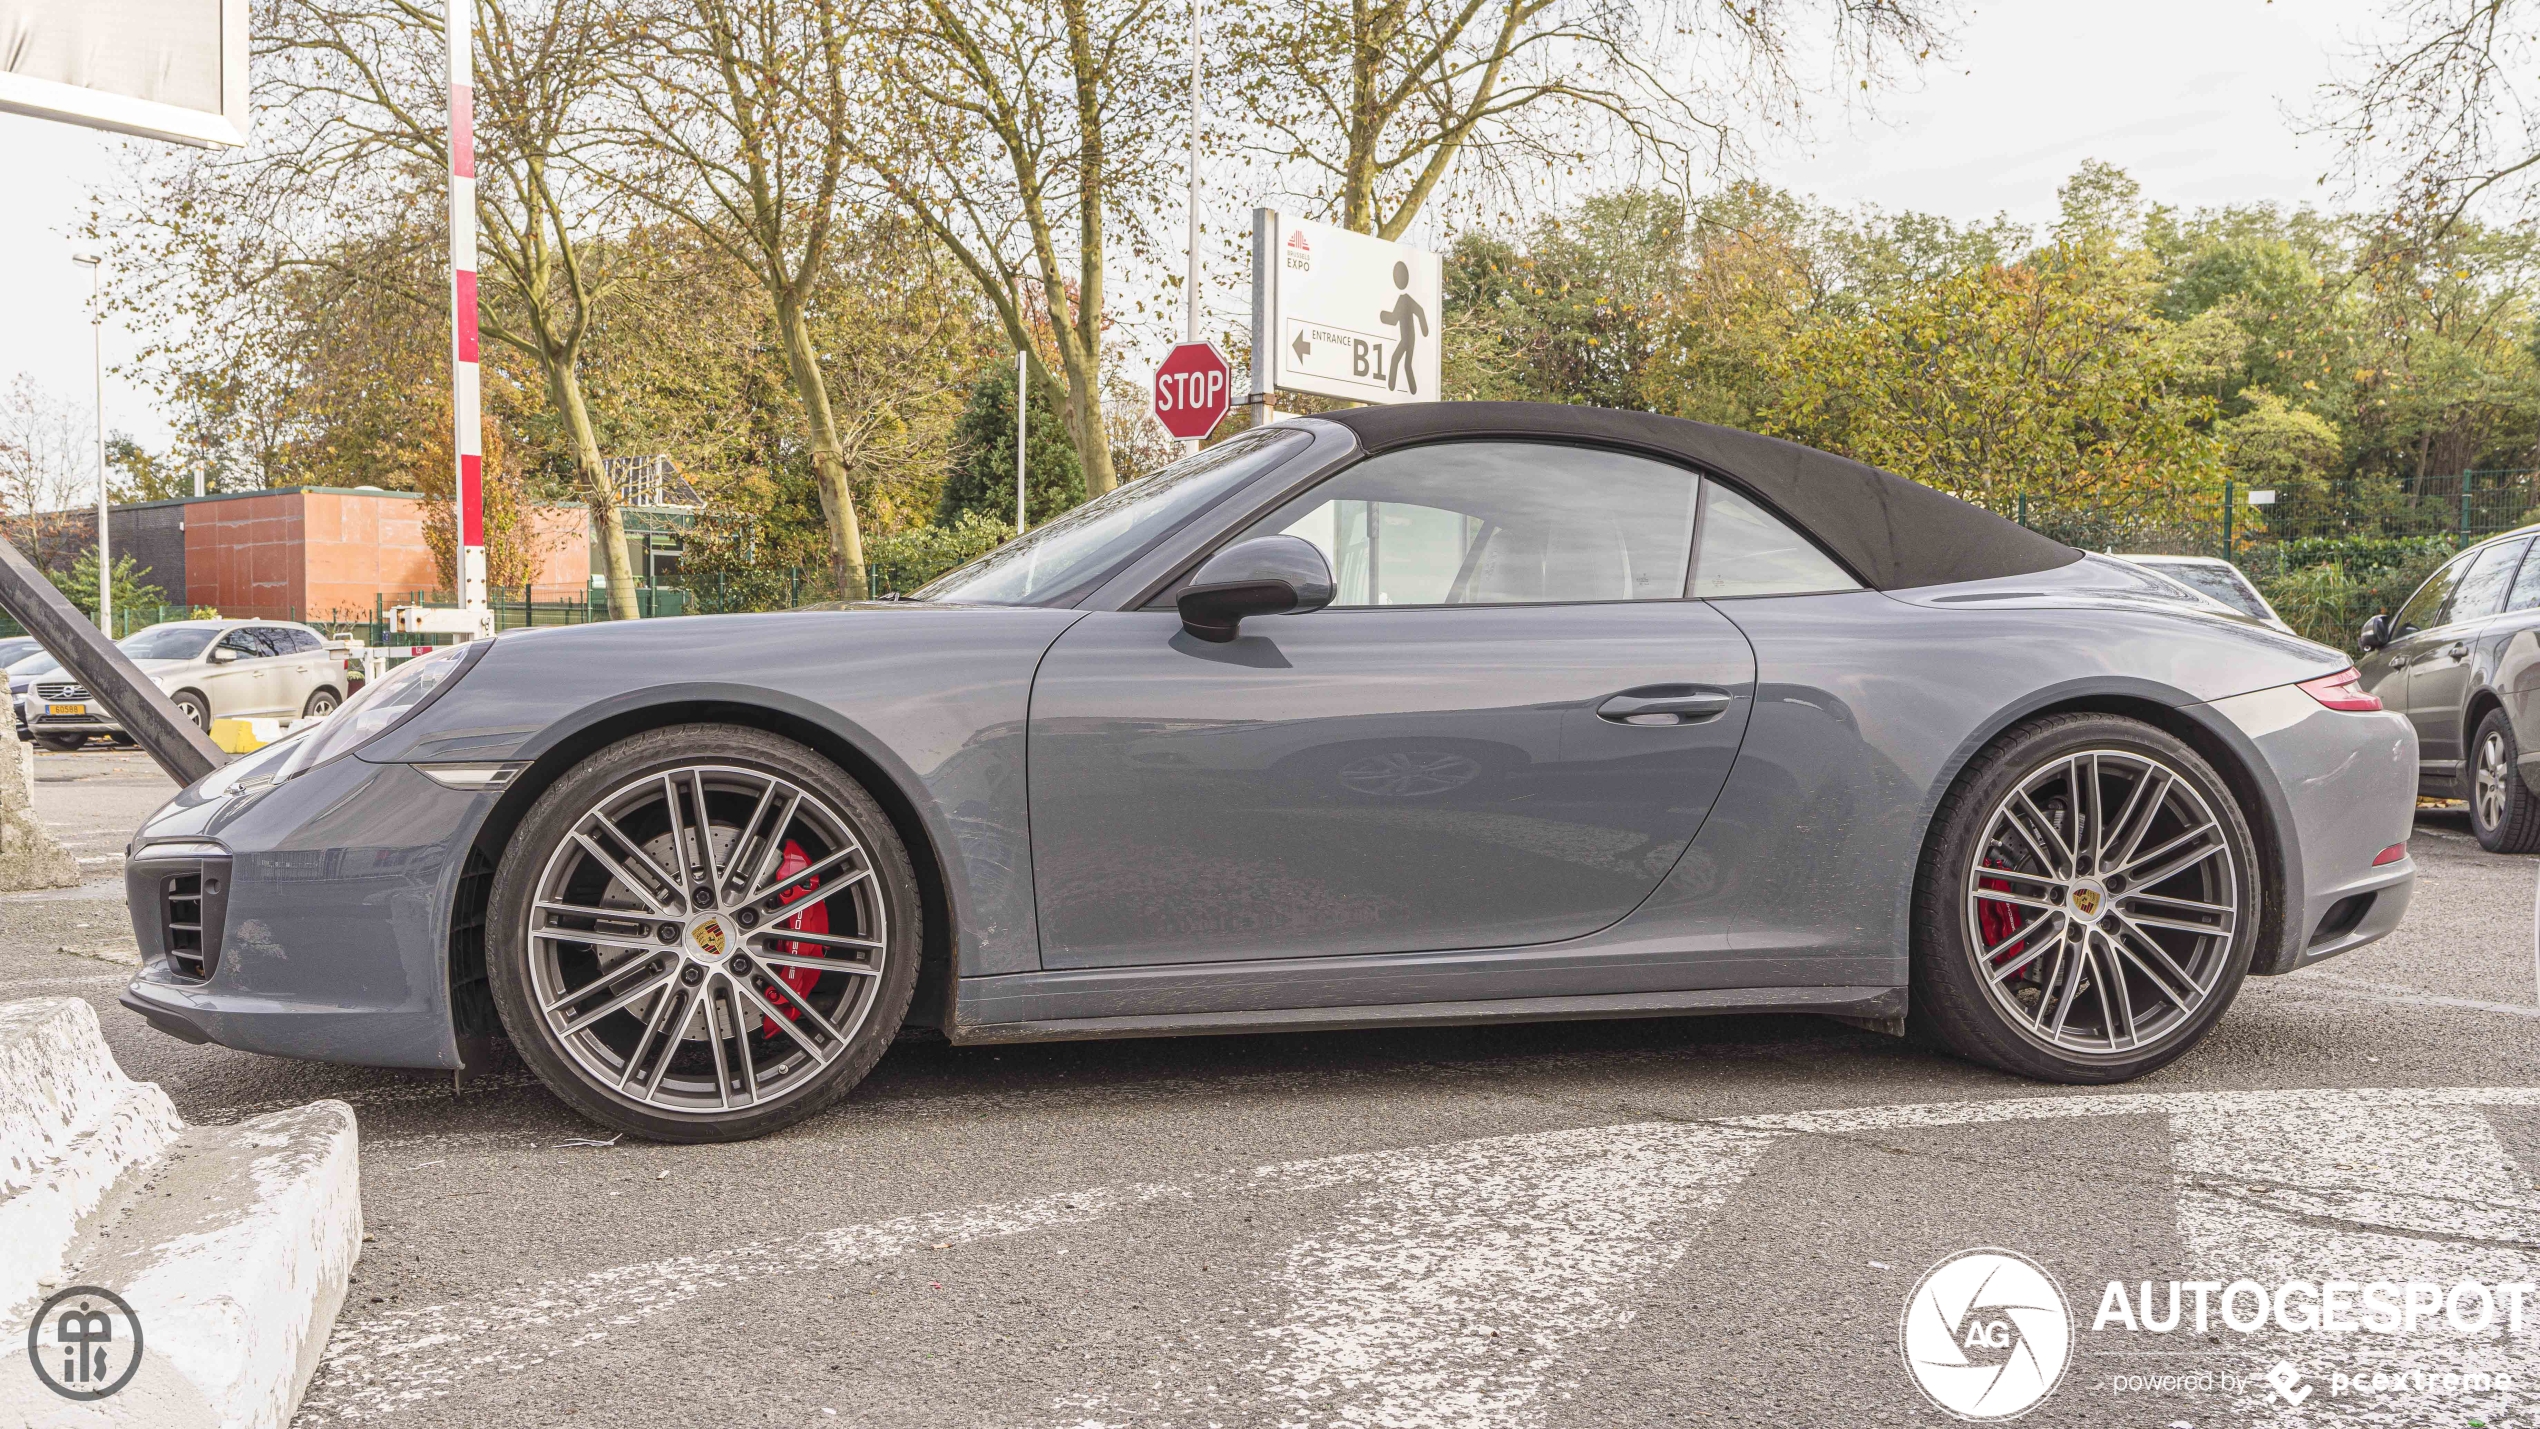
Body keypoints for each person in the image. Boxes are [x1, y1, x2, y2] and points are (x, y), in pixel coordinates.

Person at [1378, 261, 1429, 395]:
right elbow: (1395, 319)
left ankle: (1395, 389)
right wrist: (1384, 316)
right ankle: (1406, 390)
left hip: (1408, 339)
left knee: (1398, 361)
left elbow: (1420, 311)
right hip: (1408, 338)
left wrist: (1425, 330)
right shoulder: (1402, 299)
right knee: (1404, 363)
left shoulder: (1405, 299)